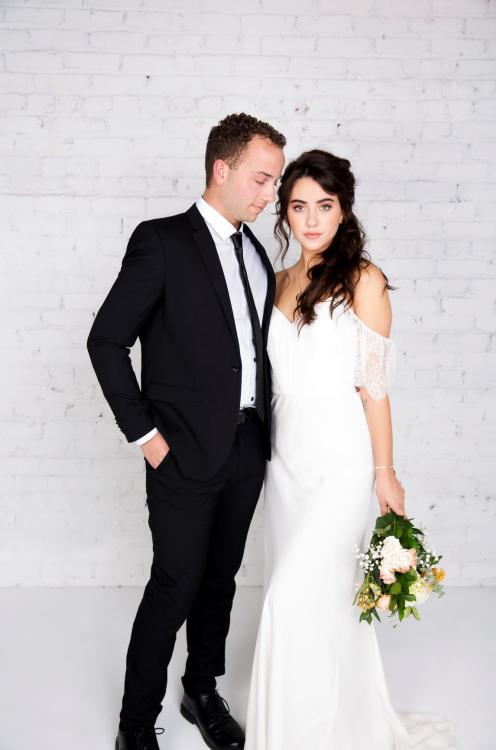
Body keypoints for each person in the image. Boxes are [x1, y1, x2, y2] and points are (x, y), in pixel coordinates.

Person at [244, 150, 457, 749]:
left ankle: (308, 730)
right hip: (284, 458)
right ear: (285, 214)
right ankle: (304, 719)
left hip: (340, 456)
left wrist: (384, 473)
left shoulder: (363, 280)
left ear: (343, 211)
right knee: (303, 589)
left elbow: (376, 389)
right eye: (298, 207)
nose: (311, 220)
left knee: (298, 590)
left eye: (325, 206)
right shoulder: (278, 281)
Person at [87, 112, 286, 750]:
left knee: (221, 577)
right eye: (260, 179)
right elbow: (106, 340)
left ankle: (201, 688)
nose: (268, 196)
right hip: (179, 452)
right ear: (221, 170)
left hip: (246, 447)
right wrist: (146, 437)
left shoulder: (255, 252)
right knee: (174, 583)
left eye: (274, 183)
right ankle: (134, 723)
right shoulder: (162, 241)